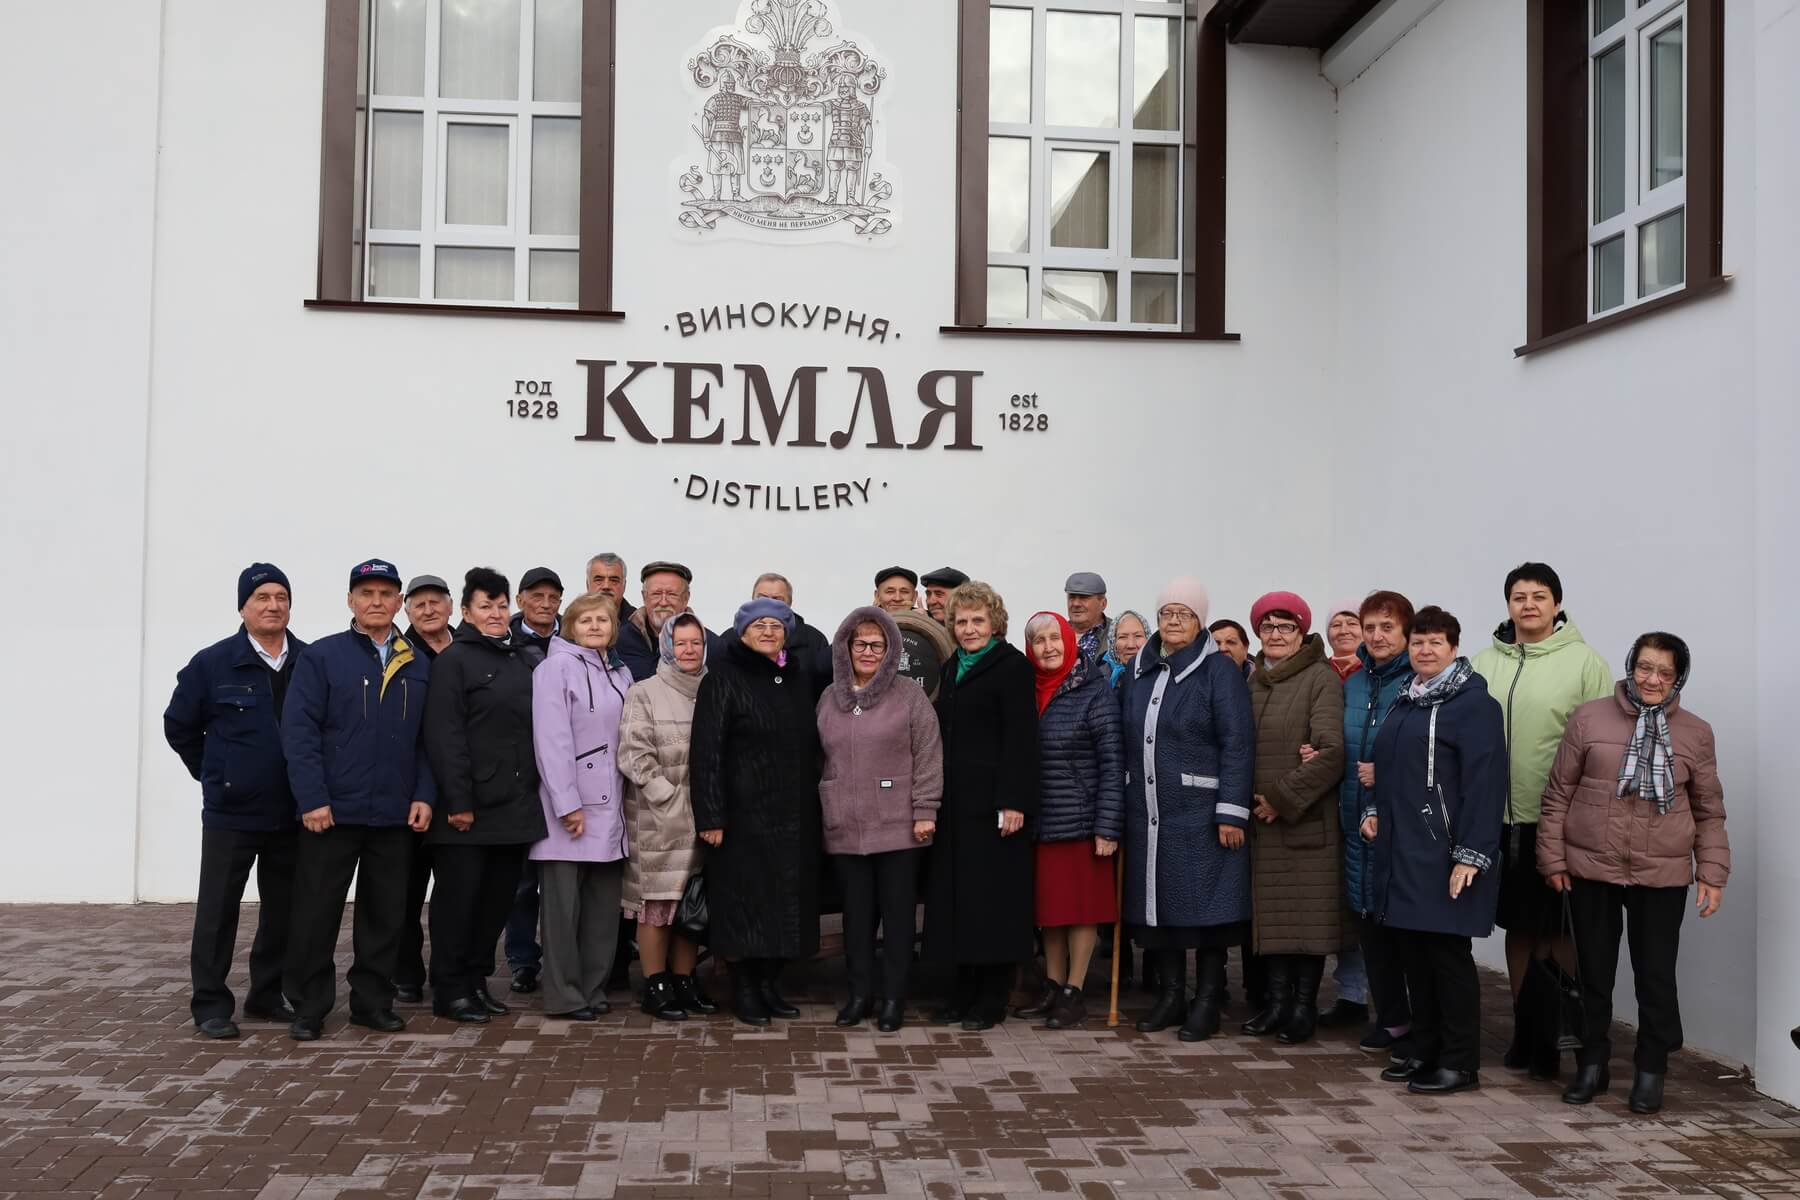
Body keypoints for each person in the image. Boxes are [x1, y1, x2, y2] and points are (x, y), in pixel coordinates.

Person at [1540, 632, 1729, 1114]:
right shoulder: (1590, 718)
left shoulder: (1696, 732)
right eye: (1645, 668)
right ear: (1631, 666)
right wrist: (1554, 859)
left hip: (1661, 875)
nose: (1653, 679)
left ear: (1678, 677)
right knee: (1595, 974)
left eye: (1665, 672)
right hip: (1592, 867)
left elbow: (1709, 810)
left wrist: (1711, 872)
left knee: (1656, 977)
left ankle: (1651, 1070)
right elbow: (1558, 794)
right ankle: (1592, 1064)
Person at [280, 558, 435, 1040]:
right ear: (350, 600)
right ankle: (308, 1005)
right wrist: (312, 798)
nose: (376, 602)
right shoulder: (323, 657)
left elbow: (429, 740)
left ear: (398, 603)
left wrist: (424, 794)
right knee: (316, 912)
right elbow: (299, 732)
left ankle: (372, 1002)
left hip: (393, 813)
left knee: (385, 916)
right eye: (366, 593)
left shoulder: (419, 662)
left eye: (386, 594)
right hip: (333, 812)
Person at [1470, 562, 1612, 1078]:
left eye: (1539, 596)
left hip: (1557, 819)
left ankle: (1558, 1033)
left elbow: (1602, 743)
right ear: (1507, 604)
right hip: (1497, 819)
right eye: (1518, 596)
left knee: (1558, 927)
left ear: (1556, 604)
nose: (1528, 605)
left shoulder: (1583, 663)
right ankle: (1525, 1030)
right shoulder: (1484, 662)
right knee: (1519, 926)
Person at [1364, 607, 1506, 1095]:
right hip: (1402, 853)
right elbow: (1385, 770)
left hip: (1446, 854)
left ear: (1453, 647)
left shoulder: (1474, 706)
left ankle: (1460, 1061)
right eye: (1419, 642)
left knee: (1448, 960)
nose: (1425, 651)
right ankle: (1423, 1048)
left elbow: (1486, 785)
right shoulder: (1407, 700)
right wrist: (1372, 811)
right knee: (1415, 960)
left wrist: (1471, 853)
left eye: (1435, 643)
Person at [164, 564, 307, 1039]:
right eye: (261, 597)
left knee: (283, 909)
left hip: (292, 810)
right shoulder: (213, 663)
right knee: (218, 910)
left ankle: (267, 993)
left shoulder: (308, 660)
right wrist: (215, 774)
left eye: (280, 596)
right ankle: (210, 1003)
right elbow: (180, 725)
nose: (272, 605)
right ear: (243, 606)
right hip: (232, 812)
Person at [1120, 578, 1253, 1042]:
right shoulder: (1138, 670)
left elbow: (1237, 743)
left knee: (1208, 913)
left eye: (1184, 614)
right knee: (1163, 913)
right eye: (1167, 613)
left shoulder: (1219, 672)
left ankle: (1207, 1001)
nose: (1173, 622)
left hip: (1200, 813)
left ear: (1200, 622)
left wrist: (1231, 811)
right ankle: (1172, 996)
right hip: (1149, 814)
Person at [421, 568, 550, 1024]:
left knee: (496, 902)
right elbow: (445, 735)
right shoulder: (453, 661)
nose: (495, 614)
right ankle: (449, 989)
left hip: (513, 806)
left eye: (500, 606)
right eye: (484, 606)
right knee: (458, 903)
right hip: (468, 811)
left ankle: (475, 982)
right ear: (466, 612)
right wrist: (458, 801)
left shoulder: (521, 659)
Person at [690, 599, 824, 1025]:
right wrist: (711, 816)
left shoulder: (796, 679)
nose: (768, 631)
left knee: (783, 907)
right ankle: (745, 989)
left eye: (776, 625)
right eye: (758, 625)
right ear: (742, 632)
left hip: (792, 817)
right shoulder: (723, 679)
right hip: (741, 820)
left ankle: (768, 984)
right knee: (745, 908)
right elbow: (706, 754)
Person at [816, 607, 944, 1032]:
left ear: (890, 651)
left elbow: (928, 753)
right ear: (845, 648)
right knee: (856, 919)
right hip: (846, 827)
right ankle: (859, 997)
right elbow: (819, 757)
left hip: (899, 826)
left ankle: (893, 999)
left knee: (898, 917)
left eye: (877, 645)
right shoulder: (829, 697)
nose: (868, 652)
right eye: (860, 644)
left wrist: (925, 809)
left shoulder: (908, 695)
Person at [925, 581, 1040, 1030]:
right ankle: (962, 993)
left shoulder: (1011, 666)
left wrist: (1014, 800)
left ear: (995, 624)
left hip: (996, 806)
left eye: (977, 621)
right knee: (959, 901)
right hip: (956, 805)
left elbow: (1021, 738)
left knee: (992, 903)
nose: (968, 628)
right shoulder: (953, 666)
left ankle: (992, 999)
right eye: (961, 621)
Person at [1242, 591, 1345, 1046]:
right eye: (1267, 627)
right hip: (1261, 827)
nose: (1276, 635)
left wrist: (1278, 800)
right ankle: (1277, 1004)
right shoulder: (1252, 681)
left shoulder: (1320, 679)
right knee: (1274, 923)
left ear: (1302, 633)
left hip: (1302, 824)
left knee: (1306, 924)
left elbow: (1330, 754)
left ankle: (1303, 1008)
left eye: (1286, 626)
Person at [529, 591, 634, 1021]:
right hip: (570, 811)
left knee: (601, 910)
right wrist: (566, 804)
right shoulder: (554, 669)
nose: (595, 626)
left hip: (612, 809)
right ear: (570, 626)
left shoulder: (621, 673)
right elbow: (551, 740)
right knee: (562, 911)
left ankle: (593, 988)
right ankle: (563, 995)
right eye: (585, 620)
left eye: (603, 620)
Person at [1320, 591, 1417, 1054]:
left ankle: (1416, 1019)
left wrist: (1388, 773)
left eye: (1387, 628)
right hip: (1354, 818)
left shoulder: (1418, 680)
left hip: (1400, 824)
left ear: (1406, 632)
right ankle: (1393, 1019)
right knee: (1369, 925)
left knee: (1402, 927)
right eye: (1371, 627)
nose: (1377, 636)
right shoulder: (1355, 681)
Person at [1020, 612, 1121, 1029]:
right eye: (1039, 640)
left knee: (1081, 911)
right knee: (1050, 911)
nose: (1048, 647)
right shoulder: (1025, 689)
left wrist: (1108, 826)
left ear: (1069, 641)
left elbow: (1113, 764)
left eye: (1055, 638)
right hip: (1041, 820)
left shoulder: (1092, 690)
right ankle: (1052, 985)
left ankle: (1073, 991)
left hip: (1081, 820)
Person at [618, 613, 715, 1020]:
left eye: (696, 643)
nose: (689, 651)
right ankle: (655, 984)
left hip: (705, 818)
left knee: (691, 905)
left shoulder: (714, 687)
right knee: (657, 905)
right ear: (666, 647)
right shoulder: (644, 692)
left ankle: (684, 980)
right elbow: (634, 755)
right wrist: (669, 799)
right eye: (681, 643)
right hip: (659, 818)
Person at [502, 565, 564, 991]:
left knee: (562, 877)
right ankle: (523, 959)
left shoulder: (575, 639)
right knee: (522, 879)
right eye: (536, 596)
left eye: (552, 598)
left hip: (566, 773)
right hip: (520, 774)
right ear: (521, 599)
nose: (544, 605)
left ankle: (564, 956)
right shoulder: (505, 643)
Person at [395, 573, 453, 1003]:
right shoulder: (397, 654)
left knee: (454, 894)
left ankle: (449, 974)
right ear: (406, 610)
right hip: (409, 793)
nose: (429, 610)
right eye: (420, 604)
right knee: (405, 893)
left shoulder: (470, 648)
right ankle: (406, 973)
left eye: (436, 602)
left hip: (457, 794)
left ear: (451, 606)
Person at [618, 561, 722, 682]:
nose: (663, 602)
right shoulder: (620, 642)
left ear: (686, 598)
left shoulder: (713, 647)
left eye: (672, 594)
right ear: (644, 597)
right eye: (656, 594)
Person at [877, 566, 957, 701]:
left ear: (914, 596)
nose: (897, 598)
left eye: (904, 592)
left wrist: (928, 624)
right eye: (890, 591)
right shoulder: (862, 626)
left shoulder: (931, 622)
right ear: (877, 596)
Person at [750, 572, 832, 680]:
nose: (769, 604)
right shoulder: (733, 638)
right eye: (763, 598)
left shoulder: (813, 640)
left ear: (790, 602)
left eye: (777, 599)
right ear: (752, 600)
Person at [1064, 573, 1112, 670]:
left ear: (1103, 603)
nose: (1076, 604)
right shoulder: (1055, 634)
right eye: (1072, 597)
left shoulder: (1118, 633)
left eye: (1083, 597)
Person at [585, 553, 637, 627]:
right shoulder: (572, 622)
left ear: (624, 586)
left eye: (613, 580)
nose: (606, 586)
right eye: (599, 580)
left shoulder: (639, 625)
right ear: (587, 585)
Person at [1103, 610, 1148, 686]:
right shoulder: (1098, 677)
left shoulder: (1161, 674)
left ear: (1148, 639)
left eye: (1138, 636)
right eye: (1123, 637)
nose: (1131, 645)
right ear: (1113, 643)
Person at [1326, 599, 1364, 682]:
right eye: (1336, 625)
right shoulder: (1317, 672)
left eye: (1352, 624)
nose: (1343, 631)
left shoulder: (1378, 671)